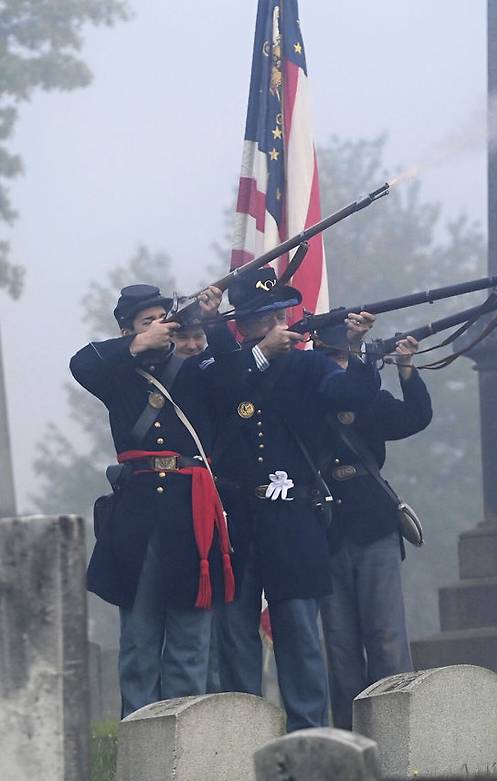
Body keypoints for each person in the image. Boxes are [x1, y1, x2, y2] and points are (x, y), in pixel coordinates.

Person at [208, 267, 380, 731]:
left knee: (300, 635)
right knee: (236, 636)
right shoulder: (222, 366)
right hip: (237, 517)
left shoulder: (308, 366)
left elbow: (354, 395)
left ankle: (310, 735)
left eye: (279, 315)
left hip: (294, 516)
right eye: (265, 317)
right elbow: (222, 393)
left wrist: (358, 347)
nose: (277, 323)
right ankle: (241, 737)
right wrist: (261, 355)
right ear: (244, 325)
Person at [70, 283, 235, 717]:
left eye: (163, 318)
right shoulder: (118, 374)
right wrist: (138, 345)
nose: (160, 326)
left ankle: (186, 734)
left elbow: (235, 376)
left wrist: (213, 320)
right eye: (148, 322)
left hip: (190, 515)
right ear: (128, 331)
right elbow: (81, 363)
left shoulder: (195, 370)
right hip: (137, 521)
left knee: (189, 643)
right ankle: (139, 736)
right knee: (139, 644)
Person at [313, 324, 433, 729]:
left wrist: (406, 368)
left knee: (387, 638)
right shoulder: (307, 395)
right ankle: (350, 741)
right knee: (341, 647)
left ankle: (400, 733)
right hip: (327, 528)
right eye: (332, 358)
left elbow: (416, 416)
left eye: (344, 358)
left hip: (373, 523)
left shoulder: (369, 398)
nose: (338, 367)